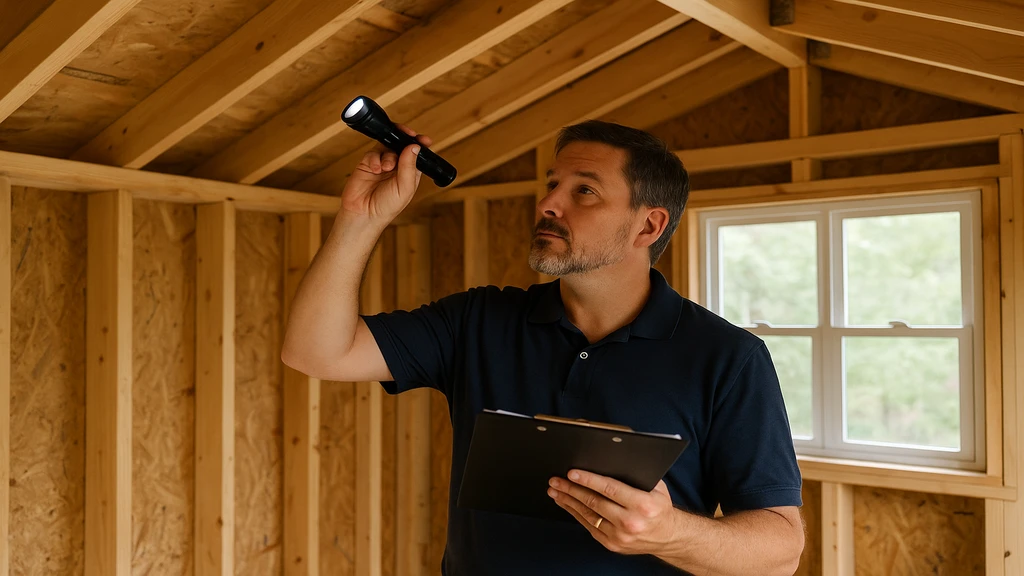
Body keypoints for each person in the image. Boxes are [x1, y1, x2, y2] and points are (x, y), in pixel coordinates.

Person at [281, 120, 805, 575]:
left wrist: (668, 533)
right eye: (554, 184)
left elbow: (781, 551)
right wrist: (360, 218)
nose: (548, 203)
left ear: (648, 225)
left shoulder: (728, 358)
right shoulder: (478, 320)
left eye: (584, 191)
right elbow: (315, 353)